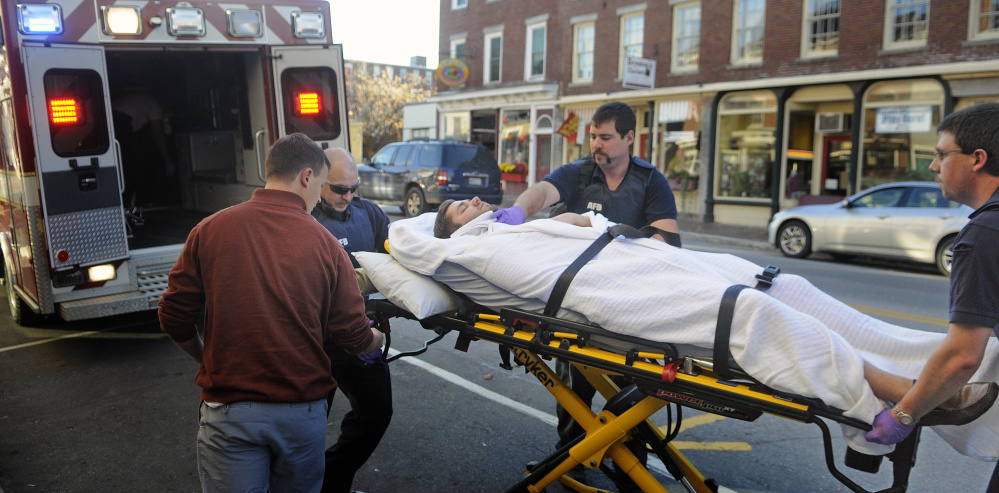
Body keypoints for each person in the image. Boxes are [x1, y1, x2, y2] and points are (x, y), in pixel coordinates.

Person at [421, 201, 998, 458]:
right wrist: (495, 227)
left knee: (787, 290)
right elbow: (445, 253)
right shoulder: (479, 246)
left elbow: (582, 223)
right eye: (460, 209)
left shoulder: (517, 226)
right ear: (456, 231)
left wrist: (551, 219)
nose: (473, 202)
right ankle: (903, 396)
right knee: (755, 317)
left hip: (641, 258)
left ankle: (947, 366)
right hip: (614, 291)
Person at [158, 133, 384, 493]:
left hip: (229, 411)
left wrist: (204, 357)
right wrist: (379, 338)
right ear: (307, 177)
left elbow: (173, 315)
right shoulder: (325, 245)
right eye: (326, 185)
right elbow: (354, 335)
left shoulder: (208, 230)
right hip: (300, 412)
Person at [488, 102, 679, 478]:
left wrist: (621, 244)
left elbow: (668, 240)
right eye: (593, 136)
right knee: (574, 383)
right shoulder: (578, 174)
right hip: (578, 299)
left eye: (605, 137)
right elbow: (542, 191)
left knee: (627, 385)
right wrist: (519, 212)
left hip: (628, 299)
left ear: (629, 138)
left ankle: (632, 460)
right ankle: (572, 454)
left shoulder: (649, 181)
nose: (596, 144)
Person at [864, 102, 999, 490]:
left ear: (977, 159)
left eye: (941, 154)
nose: (933, 166)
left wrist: (903, 415)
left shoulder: (985, 235)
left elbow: (962, 356)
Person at [312, 147, 392, 493]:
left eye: (353, 188)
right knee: (309, 429)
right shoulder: (304, 219)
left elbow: (393, 262)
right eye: (338, 189)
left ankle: (332, 481)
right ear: (315, 180)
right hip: (317, 345)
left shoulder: (369, 214)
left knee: (376, 414)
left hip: (361, 336)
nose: (347, 196)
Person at [112, 90, 175, 207]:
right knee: (131, 167)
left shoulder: (140, 99)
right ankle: (130, 202)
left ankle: (126, 201)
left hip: (109, 118)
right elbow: (158, 133)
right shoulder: (154, 105)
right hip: (122, 122)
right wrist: (167, 160)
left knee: (124, 165)